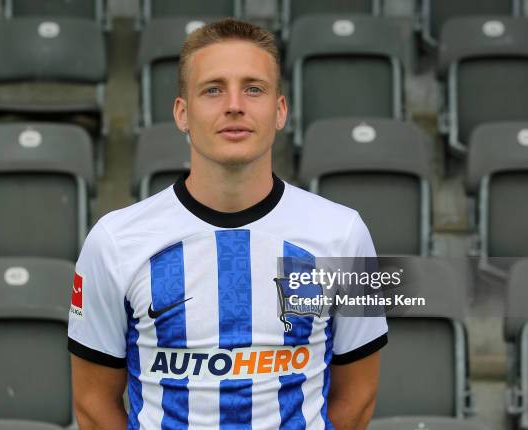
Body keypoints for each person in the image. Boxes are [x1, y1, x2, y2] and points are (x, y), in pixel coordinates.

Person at [69, 18, 387, 430]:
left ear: (280, 110)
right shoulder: (113, 240)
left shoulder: (346, 233)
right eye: (213, 89)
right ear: (182, 113)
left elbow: (360, 396)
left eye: (253, 89)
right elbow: (93, 404)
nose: (234, 104)